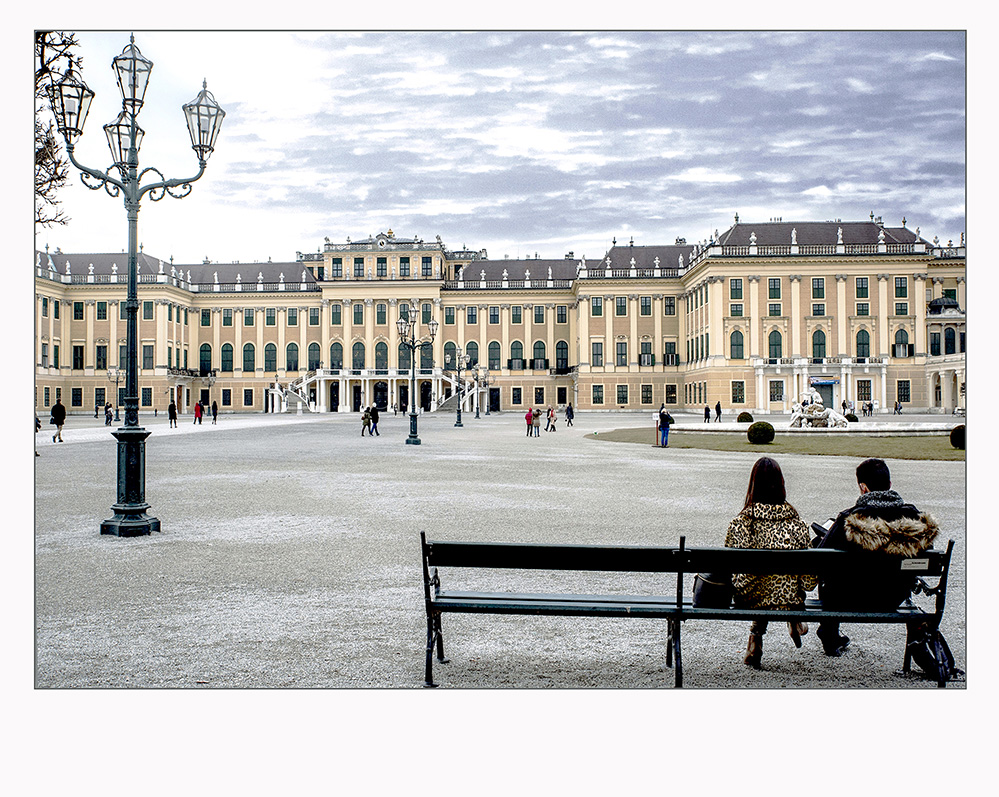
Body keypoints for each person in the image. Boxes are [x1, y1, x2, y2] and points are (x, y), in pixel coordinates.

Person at [815, 458, 939, 656]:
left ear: (863, 488)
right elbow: (925, 556)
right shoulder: (915, 520)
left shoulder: (850, 520)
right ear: (890, 485)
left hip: (847, 596)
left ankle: (829, 634)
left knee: (829, 576)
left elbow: (820, 559)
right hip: (892, 596)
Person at [725, 456, 817, 669]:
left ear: (753, 485)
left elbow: (735, 576)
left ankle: (755, 639)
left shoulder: (740, 523)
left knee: (761, 587)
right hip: (788, 600)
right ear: (781, 484)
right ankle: (794, 619)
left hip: (749, 599)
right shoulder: (798, 525)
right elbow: (809, 582)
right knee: (782, 587)